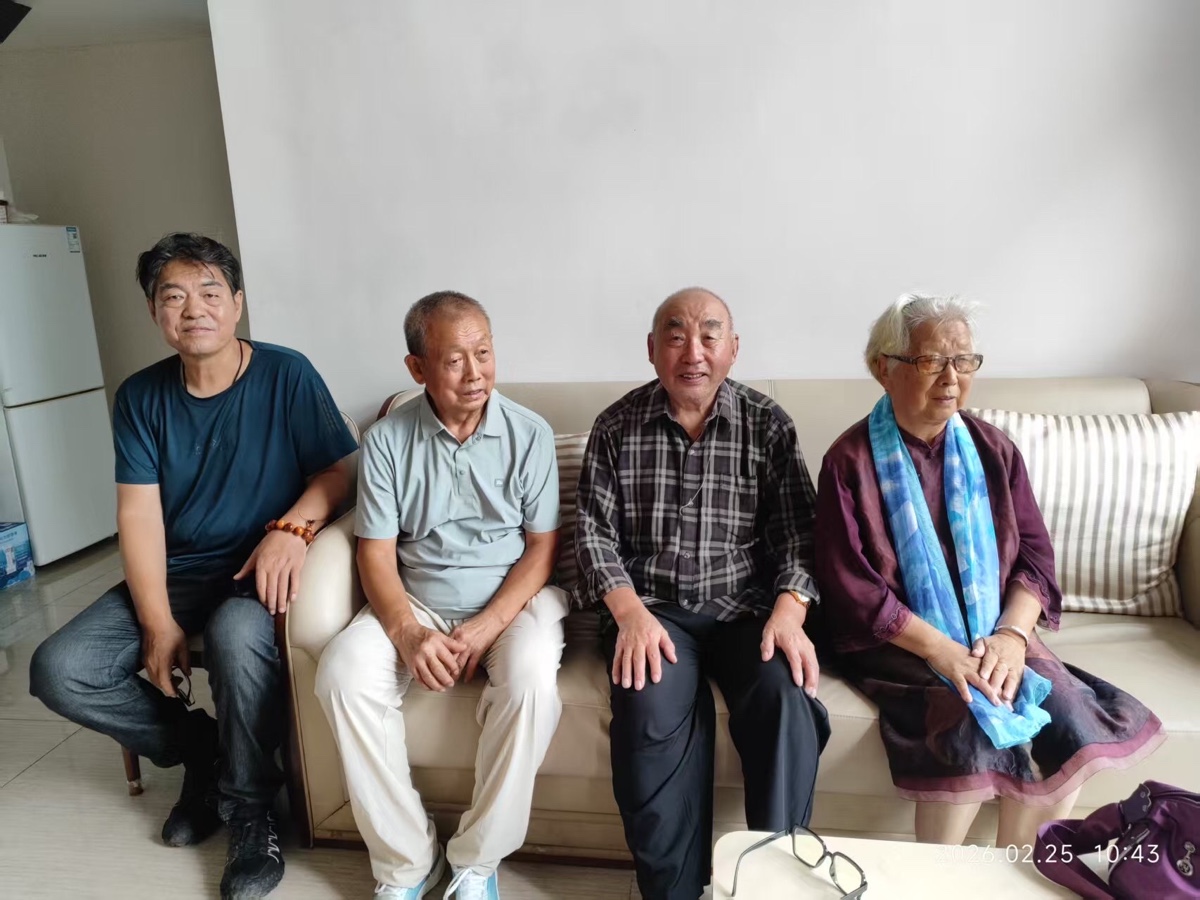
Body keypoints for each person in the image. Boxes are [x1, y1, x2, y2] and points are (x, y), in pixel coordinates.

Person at [29, 233, 358, 899]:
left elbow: (340, 470)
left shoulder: (286, 374)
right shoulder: (141, 397)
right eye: (173, 297)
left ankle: (250, 810)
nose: (194, 309)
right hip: (177, 573)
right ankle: (202, 750)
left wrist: (291, 530)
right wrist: (157, 621)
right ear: (155, 312)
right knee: (60, 668)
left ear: (236, 303)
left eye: (210, 293)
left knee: (236, 638)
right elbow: (138, 516)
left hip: (255, 573)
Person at [813, 293, 1165, 850]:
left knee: (1065, 711)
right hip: (899, 641)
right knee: (966, 718)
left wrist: (1012, 636)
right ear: (884, 368)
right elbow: (852, 588)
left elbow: (1035, 556)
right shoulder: (849, 460)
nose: (951, 377)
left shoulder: (992, 448)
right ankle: (937, 877)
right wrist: (942, 651)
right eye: (932, 360)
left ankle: (1011, 869)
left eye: (964, 361)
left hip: (994, 629)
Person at [574, 288, 830, 900]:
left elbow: (800, 531)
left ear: (733, 349)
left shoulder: (767, 424)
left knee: (786, 697)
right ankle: (675, 892)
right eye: (676, 335)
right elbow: (592, 534)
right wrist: (629, 613)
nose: (693, 352)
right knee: (647, 705)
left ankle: (773, 885)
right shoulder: (615, 426)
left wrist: (790, 611)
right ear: (652, 349)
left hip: (747, 611)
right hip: (654, 613)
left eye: (710, 336)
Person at [315, 291, 567, 900]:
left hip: (512, 599)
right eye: (454, 360)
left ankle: (477, 862)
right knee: (342, 673)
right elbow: (375, 552)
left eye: (484, 353)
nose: (475, 373)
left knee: (531, 679)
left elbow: (542, 549)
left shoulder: (529, 433)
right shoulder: (386, 440)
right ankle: (406, 863)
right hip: (418, 598)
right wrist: (406, 631)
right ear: (417, 368)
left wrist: (486, 626)